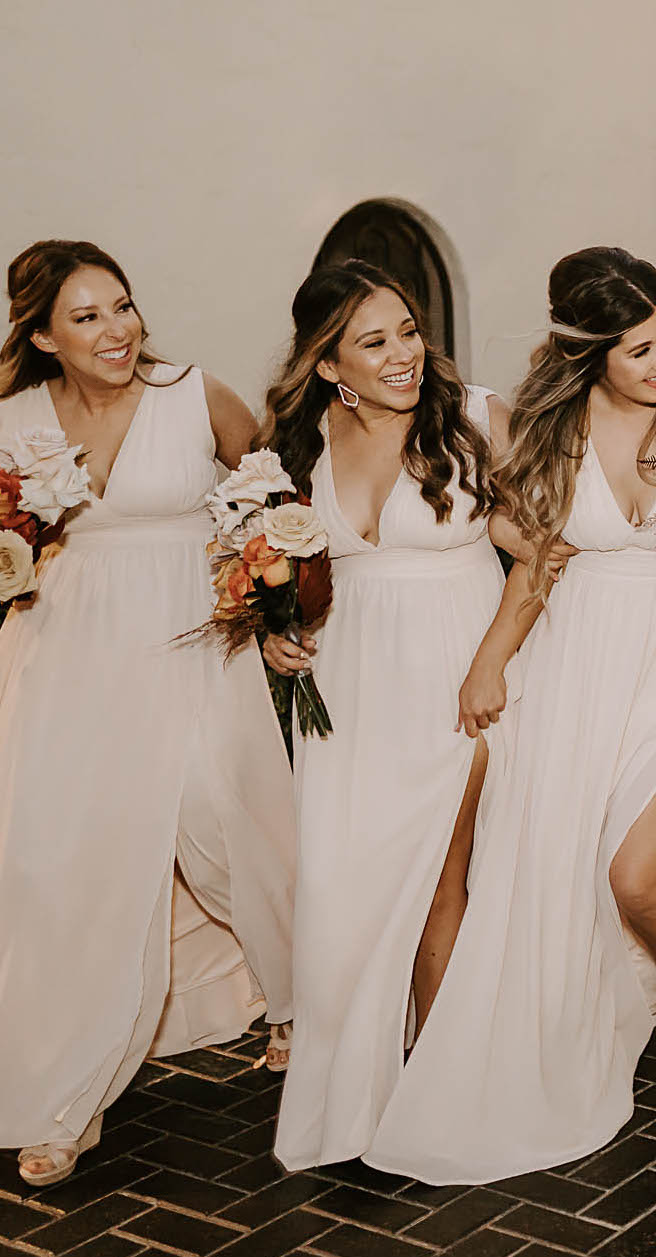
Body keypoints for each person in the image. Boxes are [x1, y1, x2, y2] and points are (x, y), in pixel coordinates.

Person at [365, 247, 656, 1183]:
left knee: (637, 875)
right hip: (575, 662)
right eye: (639, 346)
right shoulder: (543, 431)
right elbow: (527, 550)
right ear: (587, 350)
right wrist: (489, 662)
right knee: (559, 861)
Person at [0, 240, 296, 1186]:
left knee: (225, 820)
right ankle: (67, 1088)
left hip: (192, 638)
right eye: (86, 317)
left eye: (121, 306)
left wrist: (275, 601)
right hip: (69, 653)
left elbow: (269, 493)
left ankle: (296, 997)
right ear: (43, 336)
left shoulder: (192, 393)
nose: (117, 330)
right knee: (65, 857)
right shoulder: (14, 420)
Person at [261, 259, 523, 1169]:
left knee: (442, 881)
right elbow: (293, 574)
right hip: (349, 695)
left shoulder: (474, 421)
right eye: (375, 341)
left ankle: (438, 1094)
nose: (406, 353)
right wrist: (277, 634)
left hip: (461, 680)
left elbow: (543, 552)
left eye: (409, 329)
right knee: (342, 891)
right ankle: (360, 1086)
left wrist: (489, 664)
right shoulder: (299, 444)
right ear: (329, 363)